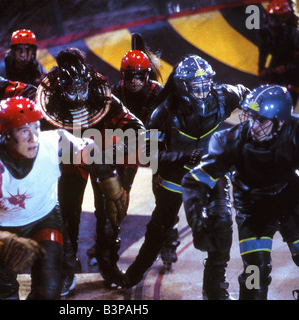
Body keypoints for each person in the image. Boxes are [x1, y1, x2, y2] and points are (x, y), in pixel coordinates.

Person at [0, 96, 128, 300]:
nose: (33, 138)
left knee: (48, 292)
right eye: (24, 131)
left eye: (35, 127)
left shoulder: (52, 142)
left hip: (44, 219)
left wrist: (110, 181)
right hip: (0, 225)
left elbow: (88, 150)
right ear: (6, 134)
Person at [122, 54, 249, 300]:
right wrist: (181, 156)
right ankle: (135, 273)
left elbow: (250, 96)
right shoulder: (163, 112)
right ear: (182, 87)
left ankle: (214, 288)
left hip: (211, 171)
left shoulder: (225, 95)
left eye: (205, 85)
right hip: (172, 176)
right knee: (160, 229)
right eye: (195, 86)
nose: (202, 92)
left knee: (223, 225)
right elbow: (149, 153)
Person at [36, 47, 144, 294]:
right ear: (60, 88)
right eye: (70, 89)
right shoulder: (46, 105)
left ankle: (108, 265)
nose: (77, 93)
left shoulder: (105, 99)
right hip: (69, 163)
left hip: (101, 159)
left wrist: (112, 154)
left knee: (109, 215)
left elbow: (137, 129)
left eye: (80, 87)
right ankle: (67, 269)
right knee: (66, 215)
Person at [181, 84, 299, 300]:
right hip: (253, 210)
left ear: (281, 121)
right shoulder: (230, 141)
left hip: (289, 201)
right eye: (250, 117)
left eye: (260, 120)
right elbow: (193, 181)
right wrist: (198, 223)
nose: (253, 126)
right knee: (255, 272)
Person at [111, 49, 178, 270]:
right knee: (117, 193)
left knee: (163, 195)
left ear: (147, 75)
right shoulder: (115, 92)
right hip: (128, 146)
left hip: (156, 145)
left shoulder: (160, 93)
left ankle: (168, 240)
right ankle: (108, 239)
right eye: (128, 76)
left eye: (138, 75)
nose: (133, 81)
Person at [258, 0, 299, 106]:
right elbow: (263, 52)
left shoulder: (294, 35)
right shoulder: (265, 32)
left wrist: (285, 68)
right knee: (263, 95)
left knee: (287, 102)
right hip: (276, 65)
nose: (273, 22)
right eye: (270, 18)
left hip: (293, 72)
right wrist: (261, 68)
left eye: (276, 19)